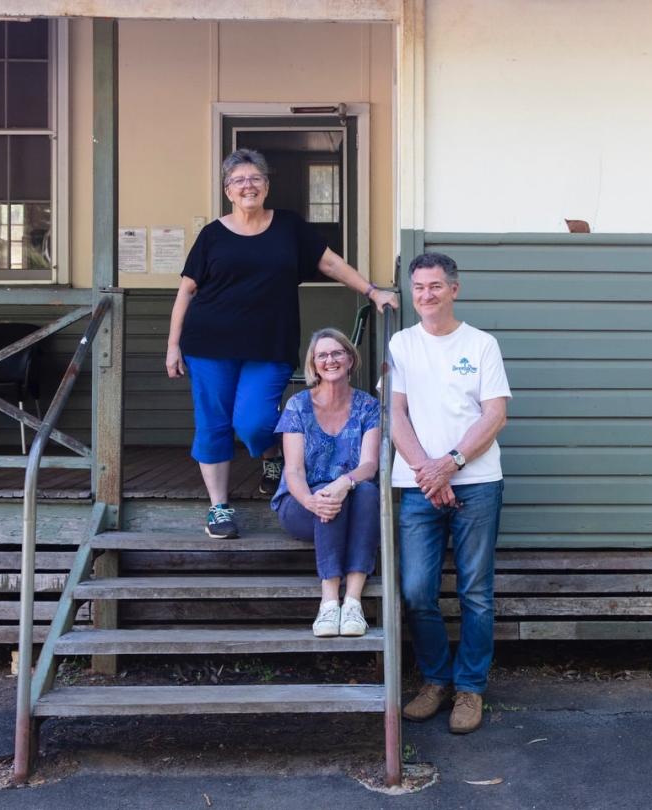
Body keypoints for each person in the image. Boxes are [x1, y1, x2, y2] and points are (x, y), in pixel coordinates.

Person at [166, 148, 396, 539]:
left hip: (269, 343)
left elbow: (330, 264)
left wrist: (372, 291)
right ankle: (219, 507)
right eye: (238, 180)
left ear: (267, 185)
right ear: (228, 190)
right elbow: (187, 290)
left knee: (254, 421)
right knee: (213, 423)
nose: (247, 186)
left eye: (255, 178)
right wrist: (173, 345)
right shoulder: (212, 235)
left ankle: (269, 452)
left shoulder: (289, 226)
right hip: (208, 343)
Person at [390, 251, 511, 734]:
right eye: (418, 287)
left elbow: (494, 414)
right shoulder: (401, 344)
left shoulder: (481, 345)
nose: (426, 295)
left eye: (435, 286)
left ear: (454, 289)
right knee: (417, 590)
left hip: (477, 483)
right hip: (419, 485)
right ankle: (436, 680)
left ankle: (470, 689)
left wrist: (451, 464)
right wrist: (427, 472)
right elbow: (395, 416)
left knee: (475, 593)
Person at [271, 328, 381, 637]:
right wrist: (311, 500)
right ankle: (330, 600)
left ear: (350, 359)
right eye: (322, 355)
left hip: (351, 496)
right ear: (313, 363)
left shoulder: (368, 406)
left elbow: (369, 465)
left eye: (336, 353)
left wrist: (344, 482)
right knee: (328, 496)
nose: (330, 360)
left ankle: (353, 602)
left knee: (366, 491)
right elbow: (293, 471)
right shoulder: (298, 406)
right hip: (301, 505)